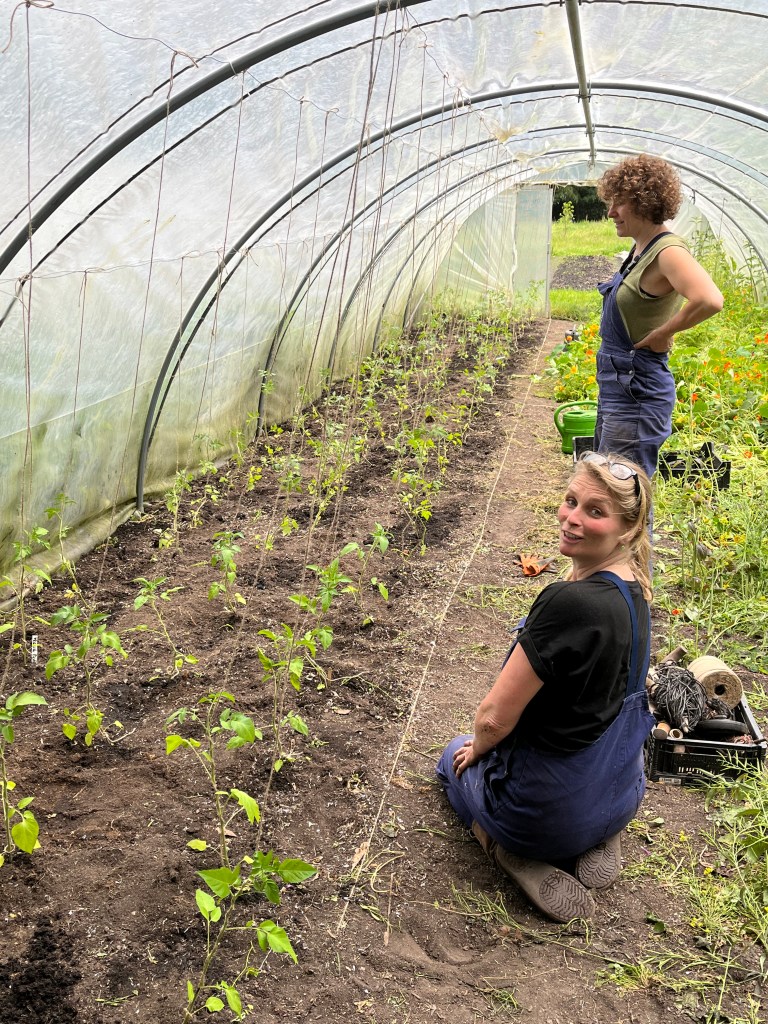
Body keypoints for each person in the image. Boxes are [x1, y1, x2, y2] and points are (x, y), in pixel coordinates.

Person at [436, 452, 655, 922]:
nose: (572, 518)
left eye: (595, 511)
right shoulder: (635, 589)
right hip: (622, 793)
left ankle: (505, 848)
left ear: (628, 530)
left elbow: (493, 719)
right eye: (571, 501)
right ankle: (601, 827)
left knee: (452, 756)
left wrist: (478, 747)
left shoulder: (567, 603)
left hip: (542, 820)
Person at [594, 155, 723, 480]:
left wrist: (665, 332)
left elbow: (710, 299)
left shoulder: (668, 252)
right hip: (618, 384)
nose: (611, 213)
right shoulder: (641, 248)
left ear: (644, 202)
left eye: (619, 203)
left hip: (637, 389)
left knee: (622, 490)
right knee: (610, 485)